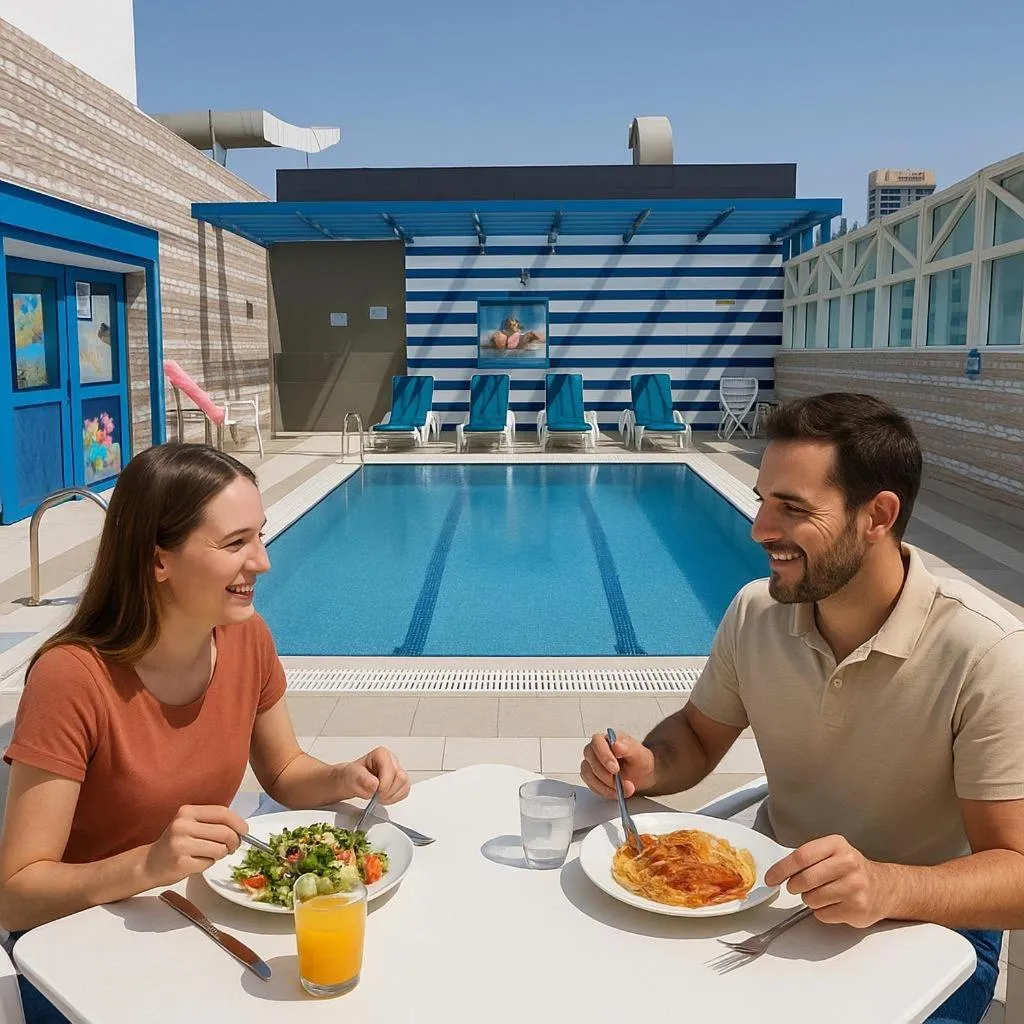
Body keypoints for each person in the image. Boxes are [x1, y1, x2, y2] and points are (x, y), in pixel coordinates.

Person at [582, 393, 1024, 1024]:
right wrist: (647, 764)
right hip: (767, 895)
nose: (760, 528)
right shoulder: (757, 612)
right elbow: (698, 738)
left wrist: (888, 885)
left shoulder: (986, 652)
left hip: (930, 930)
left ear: (877, 515)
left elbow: (1016, 872)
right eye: (764, 499)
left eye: (792, 508)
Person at [0, 443, 411, 1022]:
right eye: (236, 543)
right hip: (78, 956)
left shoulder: (246, 637)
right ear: (158, 560)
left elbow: (285, 772)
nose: (263, 562)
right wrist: (146, 865)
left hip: (189, 926)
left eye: (260, 535)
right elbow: (17, 892)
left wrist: (348, 775)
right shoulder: (73, 677)